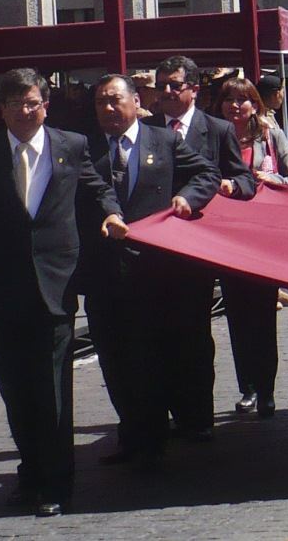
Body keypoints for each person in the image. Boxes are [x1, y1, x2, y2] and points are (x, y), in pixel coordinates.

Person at [0, 69, 124, 517]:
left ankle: (57, 481)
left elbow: (96, 189)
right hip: (1, 289)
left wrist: (112, 214)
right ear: (2, 110)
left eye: (31, 102)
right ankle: (31, 471)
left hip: (56, 286)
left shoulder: (70, 145)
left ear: (45, 105)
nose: (24, 110)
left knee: (52, 389)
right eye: (14, 103)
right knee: (15, 390)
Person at [79, 74, 218, 465]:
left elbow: (208, 173)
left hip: (159, 273)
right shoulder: (83, 148)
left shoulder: (165, 140)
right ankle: (135, 433)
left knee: (160, 354)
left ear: (135, 100)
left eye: (114, 100)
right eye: (100, 103)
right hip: (107, 273)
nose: (108, 109)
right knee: (116, 358)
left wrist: (186, 197)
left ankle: (169, 430)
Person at [148, 55, 255, 441]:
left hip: (197, 250)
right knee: (156, 336)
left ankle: (197, 415)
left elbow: (244, 180)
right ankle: (163, 412)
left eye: (174, 85)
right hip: (152, 251)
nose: (166, 92)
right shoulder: (146, 130)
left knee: (192, 334)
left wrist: (229, 187)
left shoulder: (217, 129)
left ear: (193, 88)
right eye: (161, 85)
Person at [210, 76, 288, 418]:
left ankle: (267, 390)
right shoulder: (212, 135)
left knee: (262, 318)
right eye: (229, 99)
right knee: (238, 318)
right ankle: (248, 388)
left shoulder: (270, 134)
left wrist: (275, 181)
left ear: (254, 104)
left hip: (263, 239)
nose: (235, 106)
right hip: (228, 239)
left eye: (242, 100)